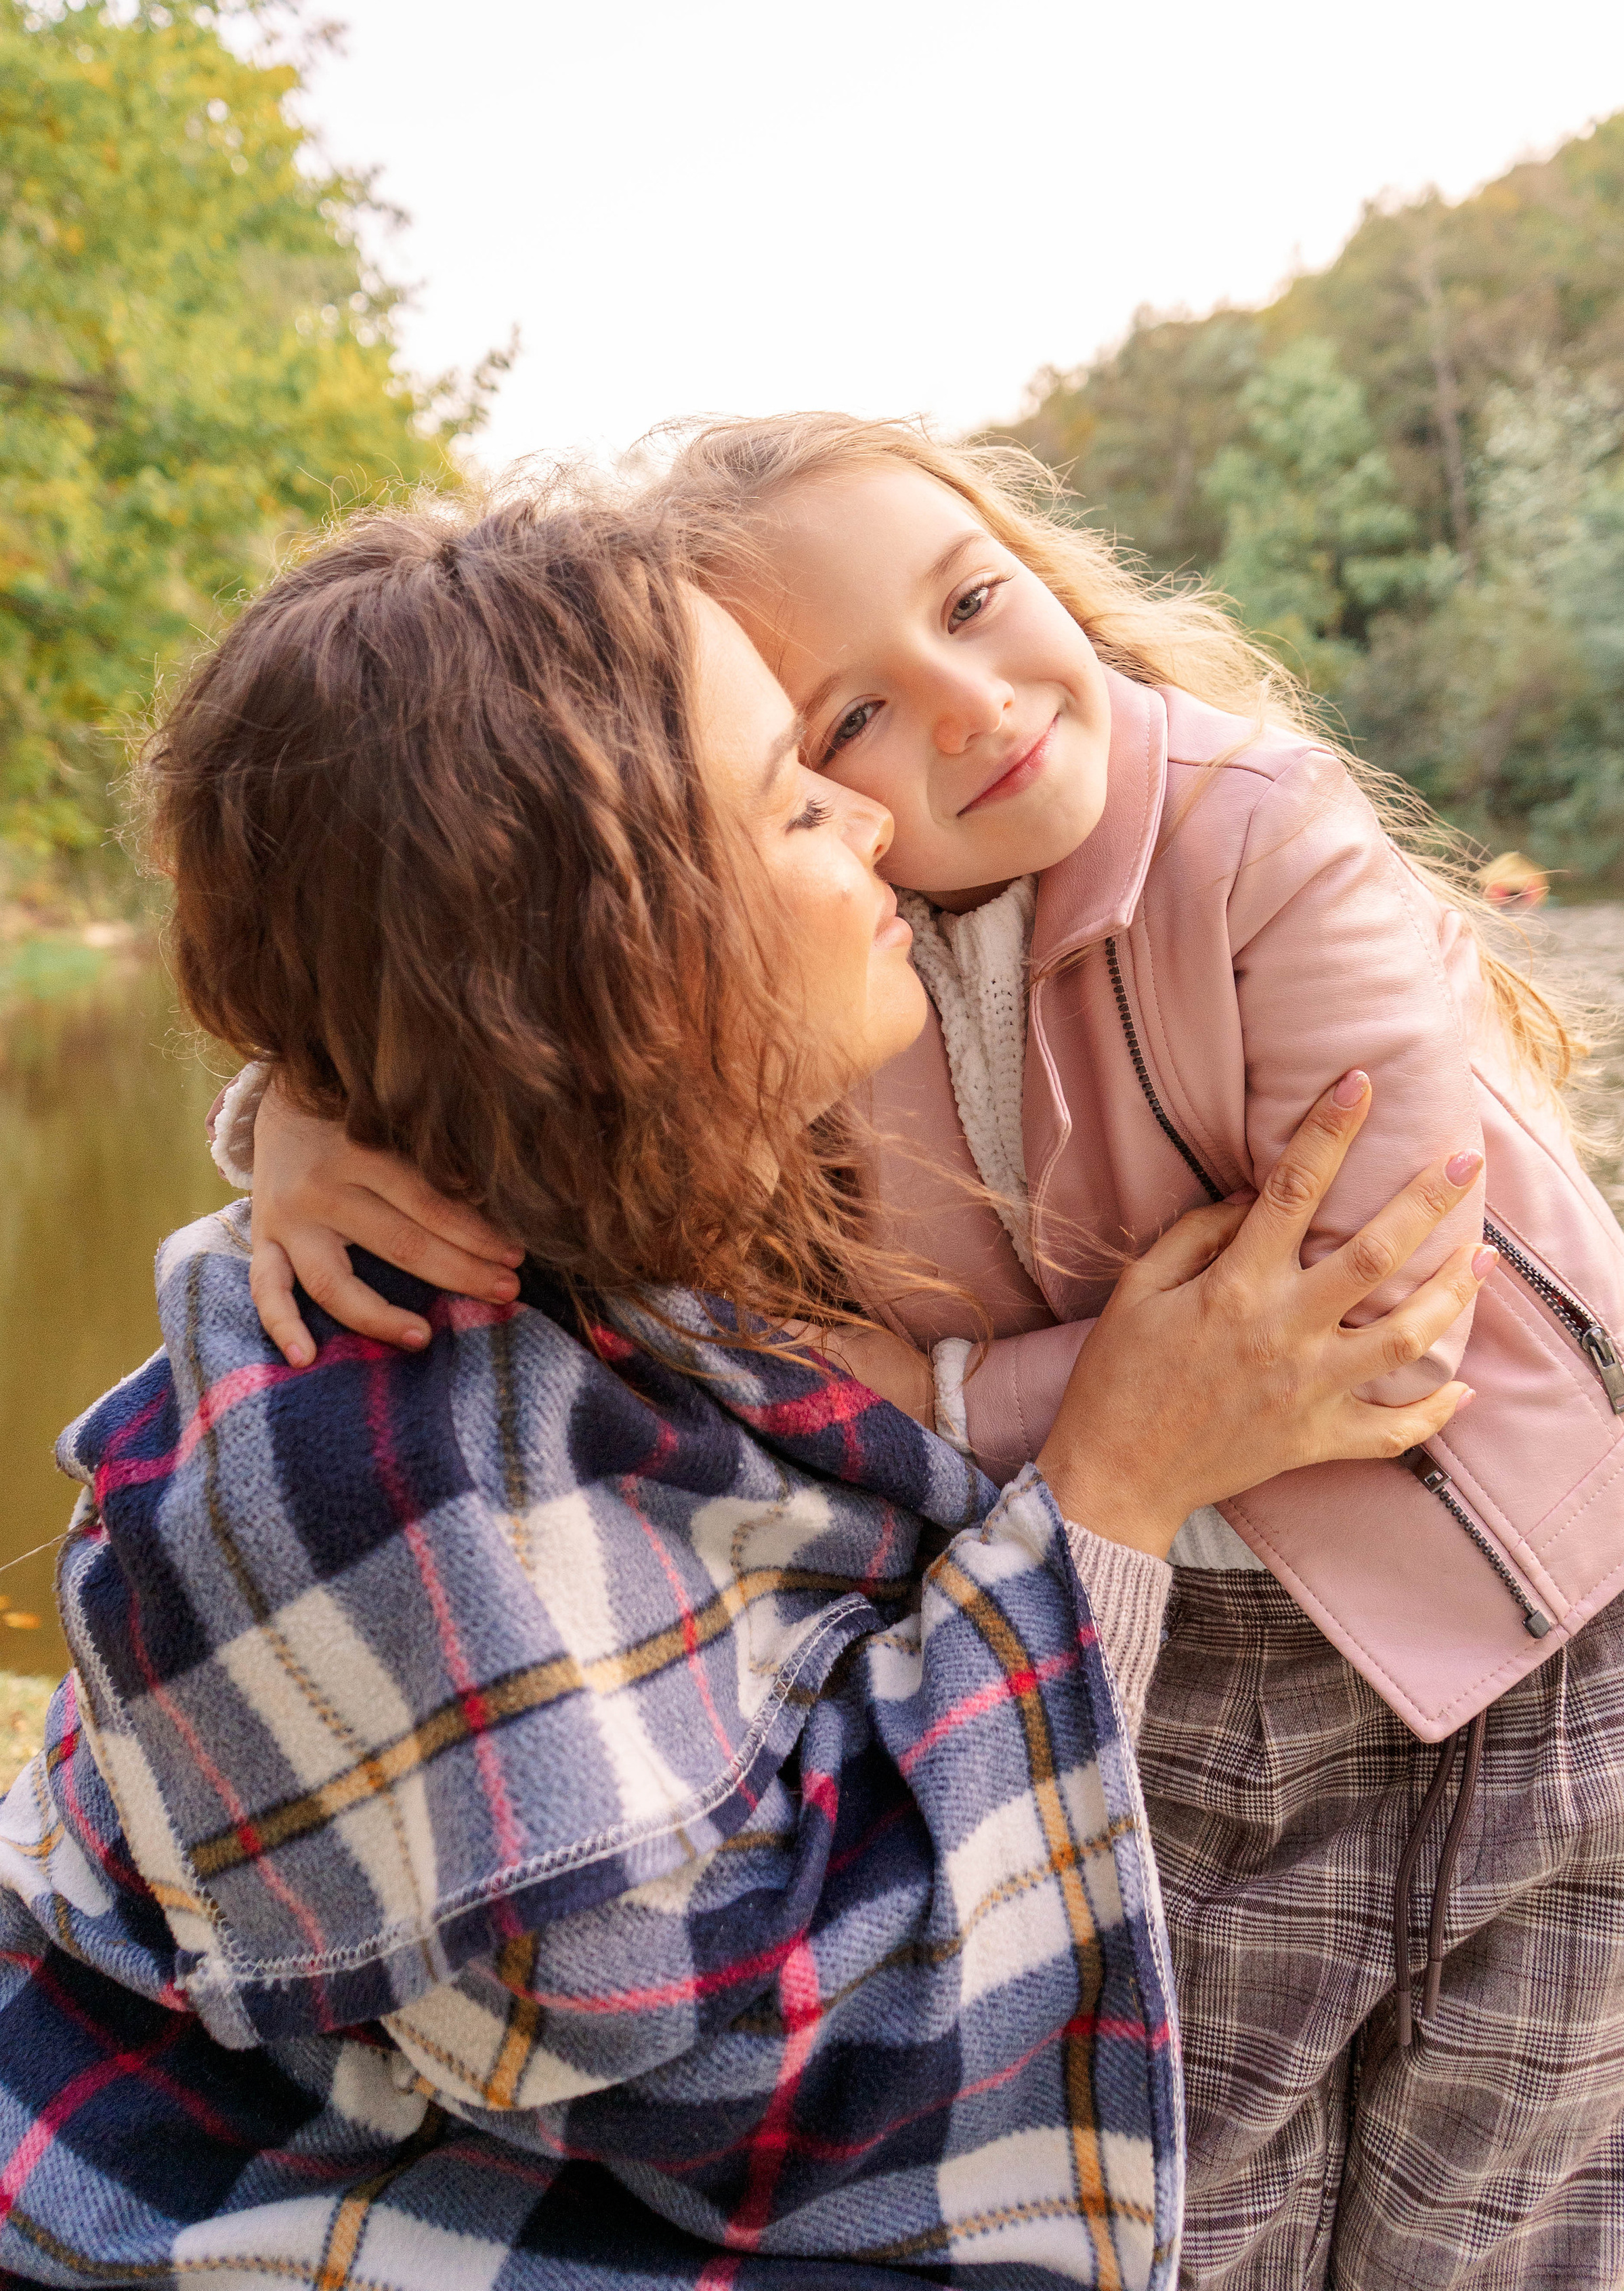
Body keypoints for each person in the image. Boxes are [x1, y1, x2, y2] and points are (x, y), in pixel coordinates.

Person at [251, 423, 1624, 2290]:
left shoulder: (1250, 829)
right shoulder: (794, 965)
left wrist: (953, 1407)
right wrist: (300, 1113)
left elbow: (1366, 1300)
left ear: (1041, 566)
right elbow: (532, 1025)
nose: (966, 706)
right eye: (847, 723)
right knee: (1197, 2201)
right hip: (1167, 1658)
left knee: (1504, 2207)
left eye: (971, 601)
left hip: (1546, 1625)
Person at [0, 488, 1489, 2290]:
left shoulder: (626, 1166)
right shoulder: (371, 1453)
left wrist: (297, 1099)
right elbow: (725, 2077)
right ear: (607, 960)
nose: (872, 816)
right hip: (238, 2200)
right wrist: (1114, 1491)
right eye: (795, 797)